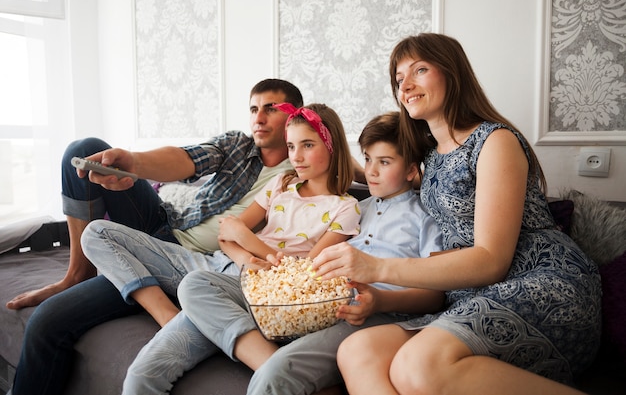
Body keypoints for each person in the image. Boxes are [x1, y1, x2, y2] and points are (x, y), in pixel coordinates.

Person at [311, 33, 602, 395]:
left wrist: (376, 267)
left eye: (420, 70)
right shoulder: (429, 156)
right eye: (399, 78)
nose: (407, 85)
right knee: (357, 350)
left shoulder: (495, 141)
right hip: (469, 297)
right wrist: (318, 162)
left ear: (452, 73)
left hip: (542, 285)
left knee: (415, 365)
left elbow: (491, 260)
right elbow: (376, 171)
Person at [6, 79, 304, 395]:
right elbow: (187, 158)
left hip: (194, 263)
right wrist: (135, 165)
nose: (258, 118)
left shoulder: (303, 169)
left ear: (296, 115)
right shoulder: (239, 146)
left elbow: (343, 164)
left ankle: (162, 306)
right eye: (254, 109)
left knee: (47, 322)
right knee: (83, 150)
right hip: (161, 224)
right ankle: (78, 272)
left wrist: (360, 168)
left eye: (270, 109)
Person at [176, 111, 444, 395]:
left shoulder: (426, 218)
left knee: (274, 376)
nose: (372, 172)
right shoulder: (353, 208)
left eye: (385, 162)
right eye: (367, 159)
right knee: (195, 285)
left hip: (371, 312)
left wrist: (379, 301)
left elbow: (436, 295)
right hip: (315, 303)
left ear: (412, 170)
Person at [118, 102, 362, 394]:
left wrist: (248, 240)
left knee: (194, 284)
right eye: (291, 146)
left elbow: (303, 270)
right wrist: (246, 256)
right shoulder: (281, 184)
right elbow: (226, 236)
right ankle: (269, 360)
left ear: (332, 145)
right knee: (140, 377)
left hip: (277, 297)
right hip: (234, 282)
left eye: (307, 145)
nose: (296, 156)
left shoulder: (346, 208)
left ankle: (275, 368)